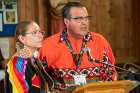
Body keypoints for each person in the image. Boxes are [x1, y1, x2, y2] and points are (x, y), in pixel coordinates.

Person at [39, 2, 116, 92]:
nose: (84, 22)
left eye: (86, 18)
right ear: (66, 22)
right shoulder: (48, 45)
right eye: (79, 19)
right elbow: (39, 79)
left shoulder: (100, 41)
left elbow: (110, 74)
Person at [7, 21, 54, 93]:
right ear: (22, 38)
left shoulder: (34, 58)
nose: (40, 36)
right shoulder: (17, 63)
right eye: (34, 33)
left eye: (40, 32)